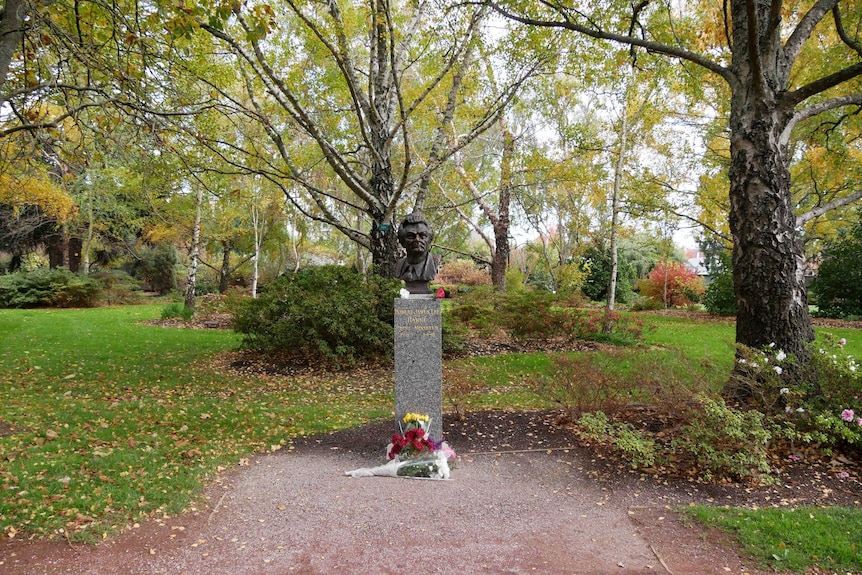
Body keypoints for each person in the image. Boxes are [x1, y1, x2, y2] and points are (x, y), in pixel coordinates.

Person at [395, 212, 438, 294]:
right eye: (411, 236)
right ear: (402, 241)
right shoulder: (399, 265)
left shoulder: (434, 263)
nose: (417, 240)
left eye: (423, 236)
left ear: (429, 240)